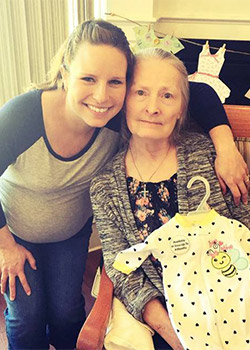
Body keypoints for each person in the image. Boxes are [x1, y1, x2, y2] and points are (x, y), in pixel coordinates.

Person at [0, 18, 247, 350]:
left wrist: (226, 145)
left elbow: (197, 91)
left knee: (66, 312)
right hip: (14, 231)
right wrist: (5, 245)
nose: (101, 95)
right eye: (87, 78)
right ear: (65, 71)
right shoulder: (29, 115)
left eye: (115, 81)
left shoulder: (116, 112)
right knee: (25, 318)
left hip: (70, 233)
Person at [89, 48, 250, 350]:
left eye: (167, 96)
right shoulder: (104, 186)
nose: (153, 107)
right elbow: (120, 268)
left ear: (181, 110)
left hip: (233, 297)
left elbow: (245, 225)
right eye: (141, 93)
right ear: (123, 102)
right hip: (161, 313)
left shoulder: (210, 157)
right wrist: (176, 337)